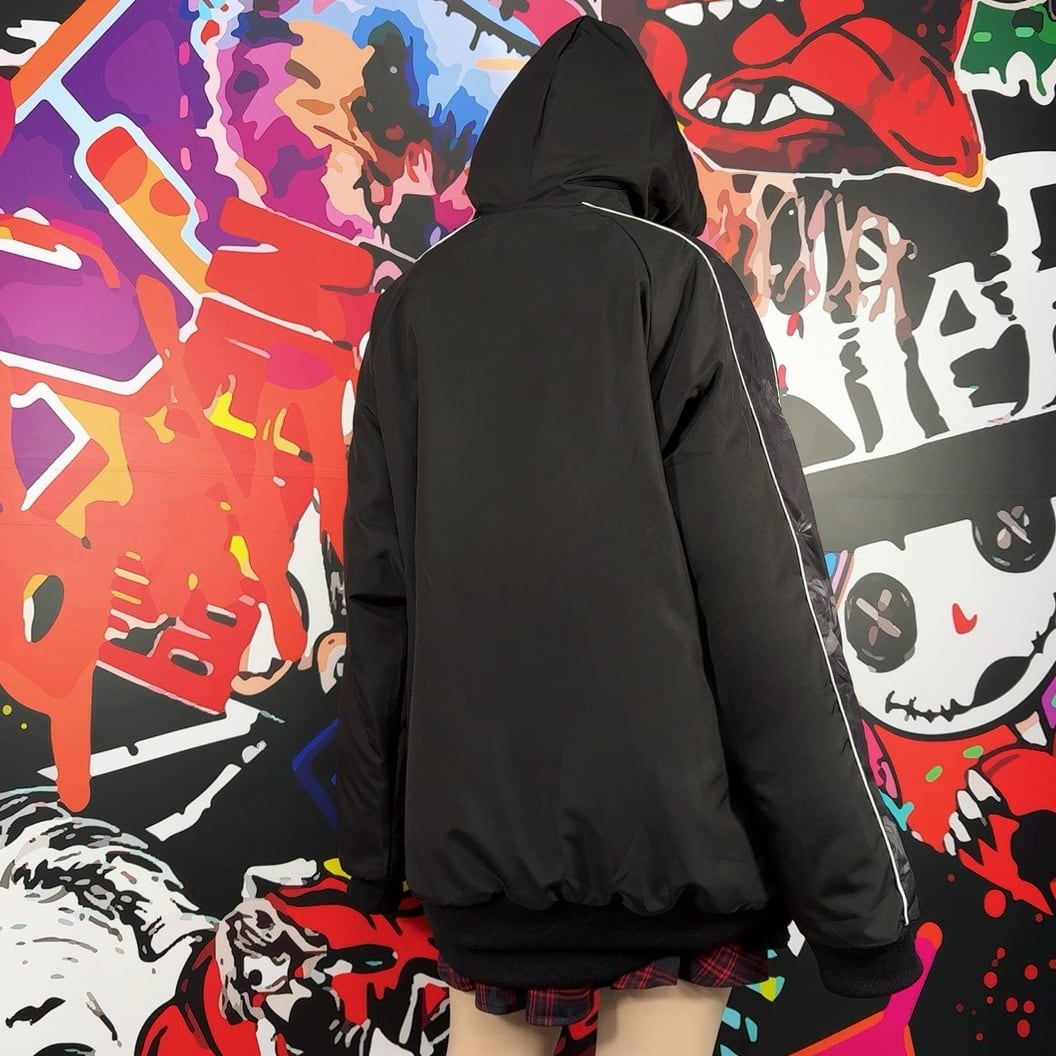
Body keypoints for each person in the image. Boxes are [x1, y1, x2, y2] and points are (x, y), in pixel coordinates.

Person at [338, 16, 923, 1056]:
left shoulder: (416, 309)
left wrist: (375, 858)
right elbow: (765, 601)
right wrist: (861, 915)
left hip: (479, 873)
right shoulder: (677, 282)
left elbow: (383, 605)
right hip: (672, 865)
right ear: (650, 152)